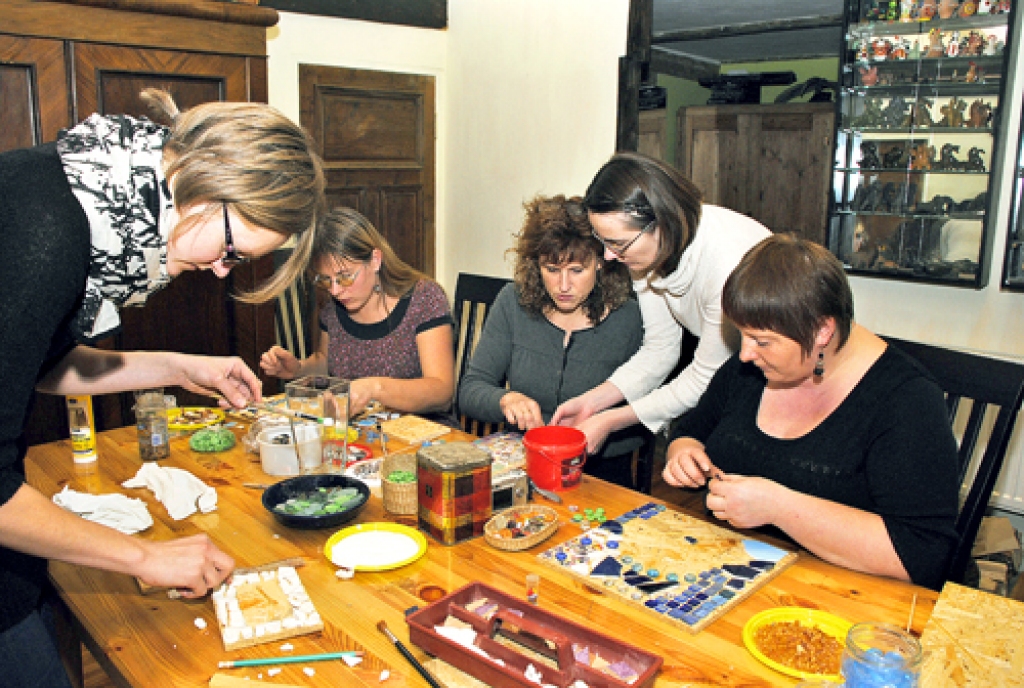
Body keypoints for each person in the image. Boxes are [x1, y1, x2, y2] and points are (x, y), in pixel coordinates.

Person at [0, 89, 325, 686]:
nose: (222, 270)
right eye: (231, 250)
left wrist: (181, 367)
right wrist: (144, 557)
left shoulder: (101, 194)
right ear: (207, 185)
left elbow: (44, 366)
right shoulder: (49, 234)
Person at [663, 234, 959, 590]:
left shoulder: (906, 400)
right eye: (741, 334)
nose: (744, 354)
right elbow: (693, 430)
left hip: (845, 594)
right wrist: (683, 449)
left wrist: (778, 507)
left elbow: (922, 555)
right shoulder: (752, 369)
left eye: (762, 341)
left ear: (822, 331)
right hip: (735, 570)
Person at [551, 152, 771, 453]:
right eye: (603, 242)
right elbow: (660, 349)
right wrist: (593, 402)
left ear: (662, 222)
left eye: (617, 243)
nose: (609, 257)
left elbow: (706, 377)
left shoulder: (725, 268)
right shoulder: (649, 248)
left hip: (771, 380)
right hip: (731, 377)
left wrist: (612, 420)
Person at [457, 196, 645, 487]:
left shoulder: (630, 317)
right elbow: (470, 390)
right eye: (552, 270)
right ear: (536, 266)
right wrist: (505, 399)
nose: (564, 286)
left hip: (600, 473)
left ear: (600, 261)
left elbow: (650, 412)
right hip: (523, 463)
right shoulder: (513, 303)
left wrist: (606, 424)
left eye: (577, 270)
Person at [260, 207, 455, 420]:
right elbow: (327, 360)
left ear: (375, 260)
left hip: (425, 432)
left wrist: (374, 388)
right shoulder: (335, 305)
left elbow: (441, 391)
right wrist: (299, 369)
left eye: (345, 277)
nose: (335, 290)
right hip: (361, 433)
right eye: (325, 279)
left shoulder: (423, 299)